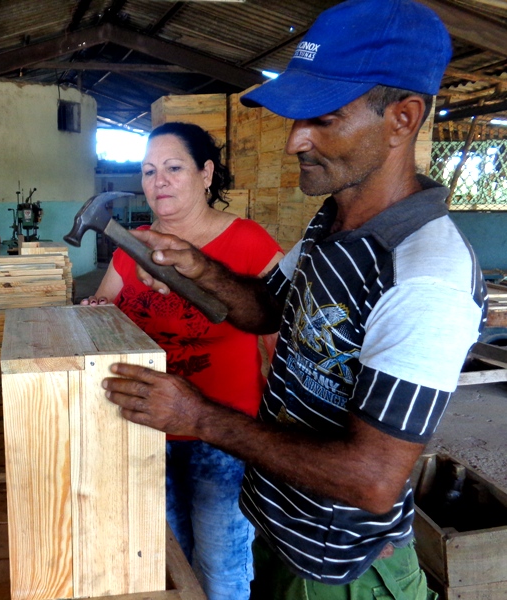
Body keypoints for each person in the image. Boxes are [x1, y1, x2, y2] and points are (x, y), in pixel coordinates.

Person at [100, 0, 487, 597]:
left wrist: (197, 415)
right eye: (295, 120)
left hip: (342, 571)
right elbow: (265, 309)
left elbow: (371, 479)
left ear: (403, 118)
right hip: (284, 531)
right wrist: (199, 266)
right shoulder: (331, 224)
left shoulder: (424, 274)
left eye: (323, 120)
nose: (293, 143)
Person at [81, 121, 283, 600]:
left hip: (224, 435)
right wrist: (94, 314)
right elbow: (105, 307)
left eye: (174, 168)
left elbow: (281, 338)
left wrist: (280, 435)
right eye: (149, 172)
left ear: (206, 173)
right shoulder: (133, 246)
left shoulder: (249, 242)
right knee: (162, 560)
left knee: (220, 567)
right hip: (144, 430)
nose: (159, 181)